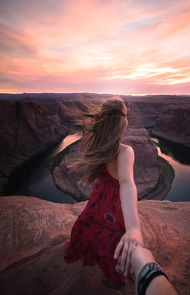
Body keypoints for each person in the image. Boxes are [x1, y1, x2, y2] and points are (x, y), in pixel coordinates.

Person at [62, 97, 144, 288]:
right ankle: (113, 276)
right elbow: (126, 183)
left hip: (98, 200)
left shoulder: (100, 146)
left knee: (93, 228)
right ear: (122, 125)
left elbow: (124, 182)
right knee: (114, 239)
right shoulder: (125, 151)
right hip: (114, 205)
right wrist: (133, 227)